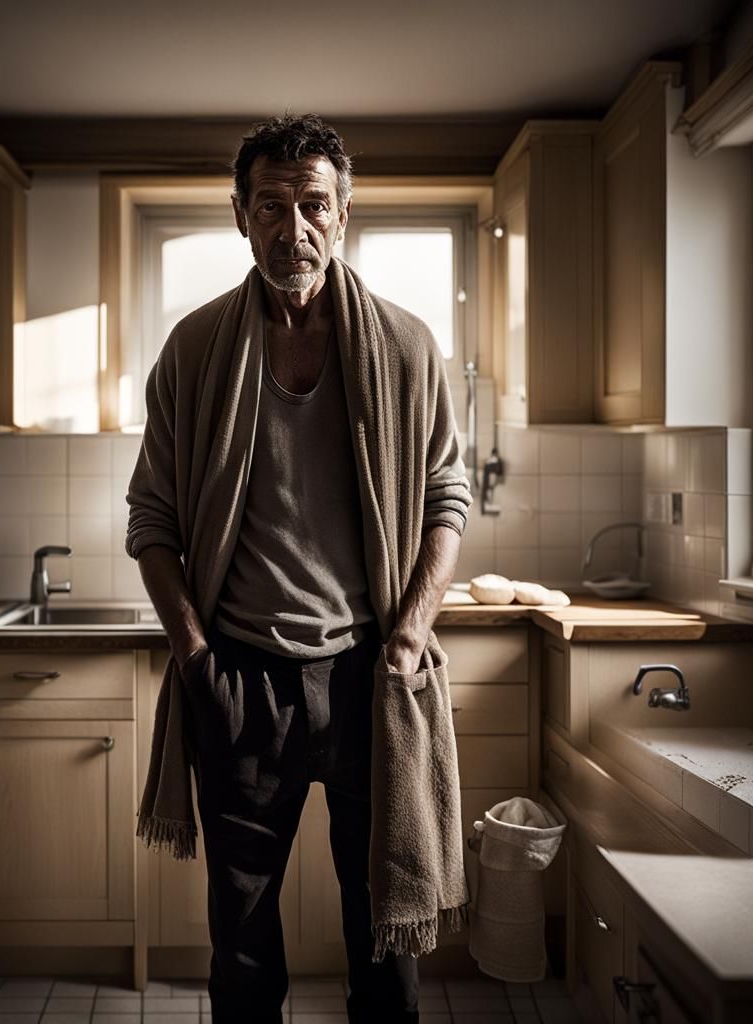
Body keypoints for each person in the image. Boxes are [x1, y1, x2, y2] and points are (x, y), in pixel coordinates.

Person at [126, 113, 472, 1024]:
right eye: (271, 206)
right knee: (241, 956)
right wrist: (197, 658)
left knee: (383, 948)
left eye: (313, 204)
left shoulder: (404, 348)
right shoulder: (194, 352)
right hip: (241, 680)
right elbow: (152, 518)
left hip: (370, 677)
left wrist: (409, 636)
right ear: (240, 215)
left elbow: (447, 497)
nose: (294, 229)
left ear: (343, 215)